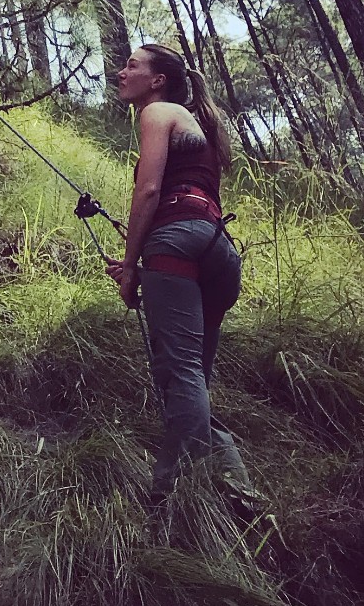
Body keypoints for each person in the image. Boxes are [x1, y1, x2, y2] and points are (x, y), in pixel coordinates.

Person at [107, 43, 255, 504]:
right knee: (191, 381)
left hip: (175, 245)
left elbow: (150, 190)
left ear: (157, 81)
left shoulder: (158, 113)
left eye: (132, 65)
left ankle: (174, 497)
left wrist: (131, 267)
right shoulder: (197, 127)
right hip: (217, 250)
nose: (120, 71)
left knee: (181, 374)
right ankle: (239, 494)